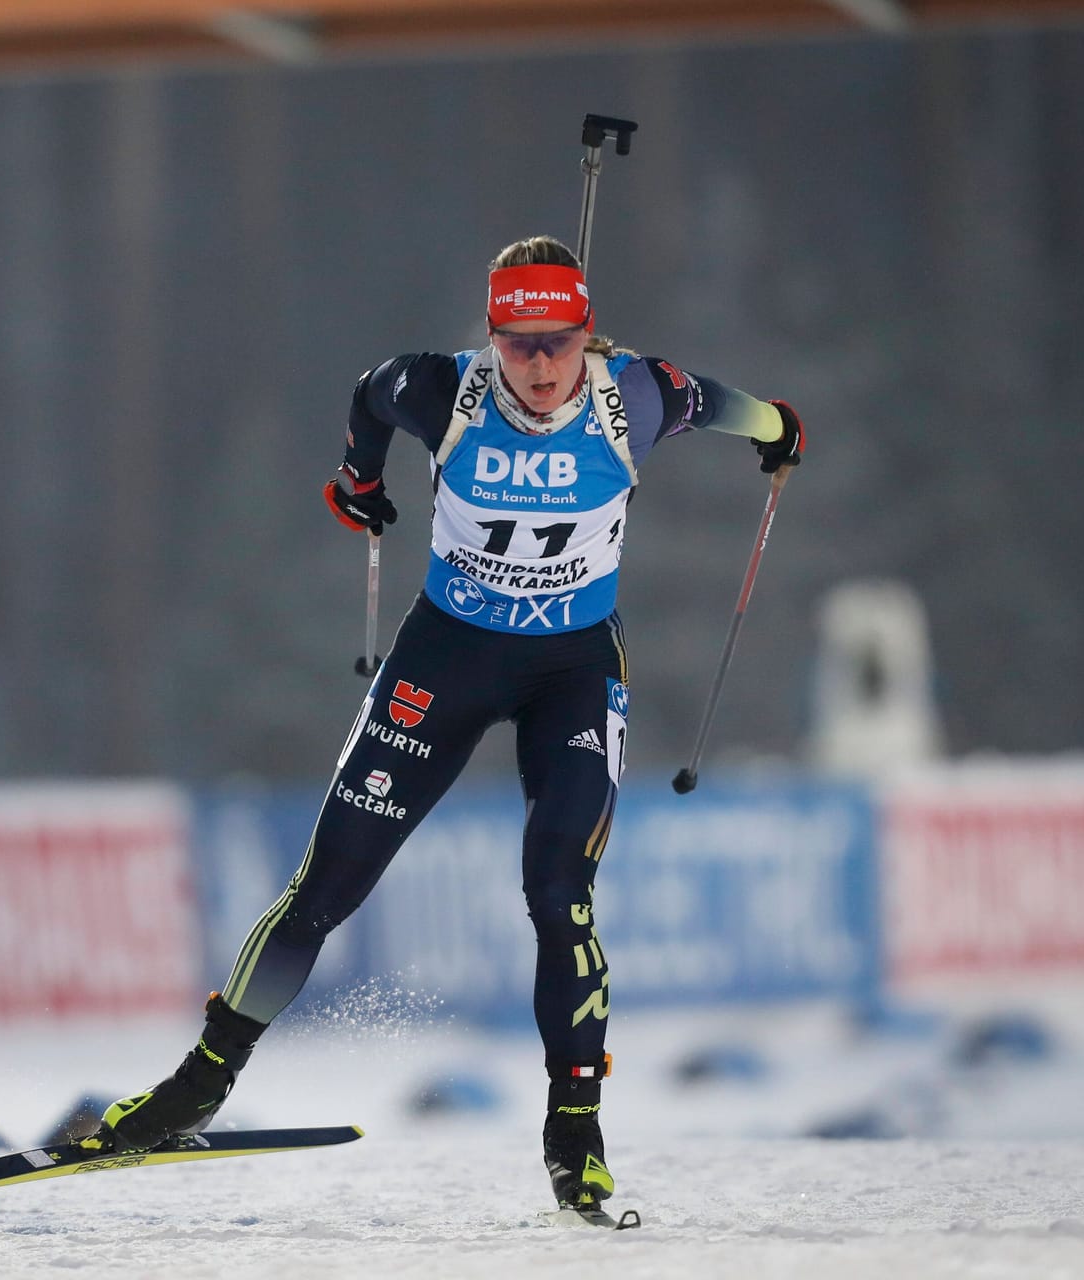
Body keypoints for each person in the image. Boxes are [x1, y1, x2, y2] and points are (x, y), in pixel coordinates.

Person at [90, 235, 805, 1213]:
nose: (541, 366)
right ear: (493, 338)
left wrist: (779, 429)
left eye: (558, 342)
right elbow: (369, 396)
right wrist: (359, 480)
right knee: (323, 889)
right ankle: (197, 1084)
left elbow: (732, 405)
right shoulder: (442, 389)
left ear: (588, 335)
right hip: (446, 658)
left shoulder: (636, 395)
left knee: (560, 890)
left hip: (572, 666)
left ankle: (575, 1134)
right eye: (519, 344)